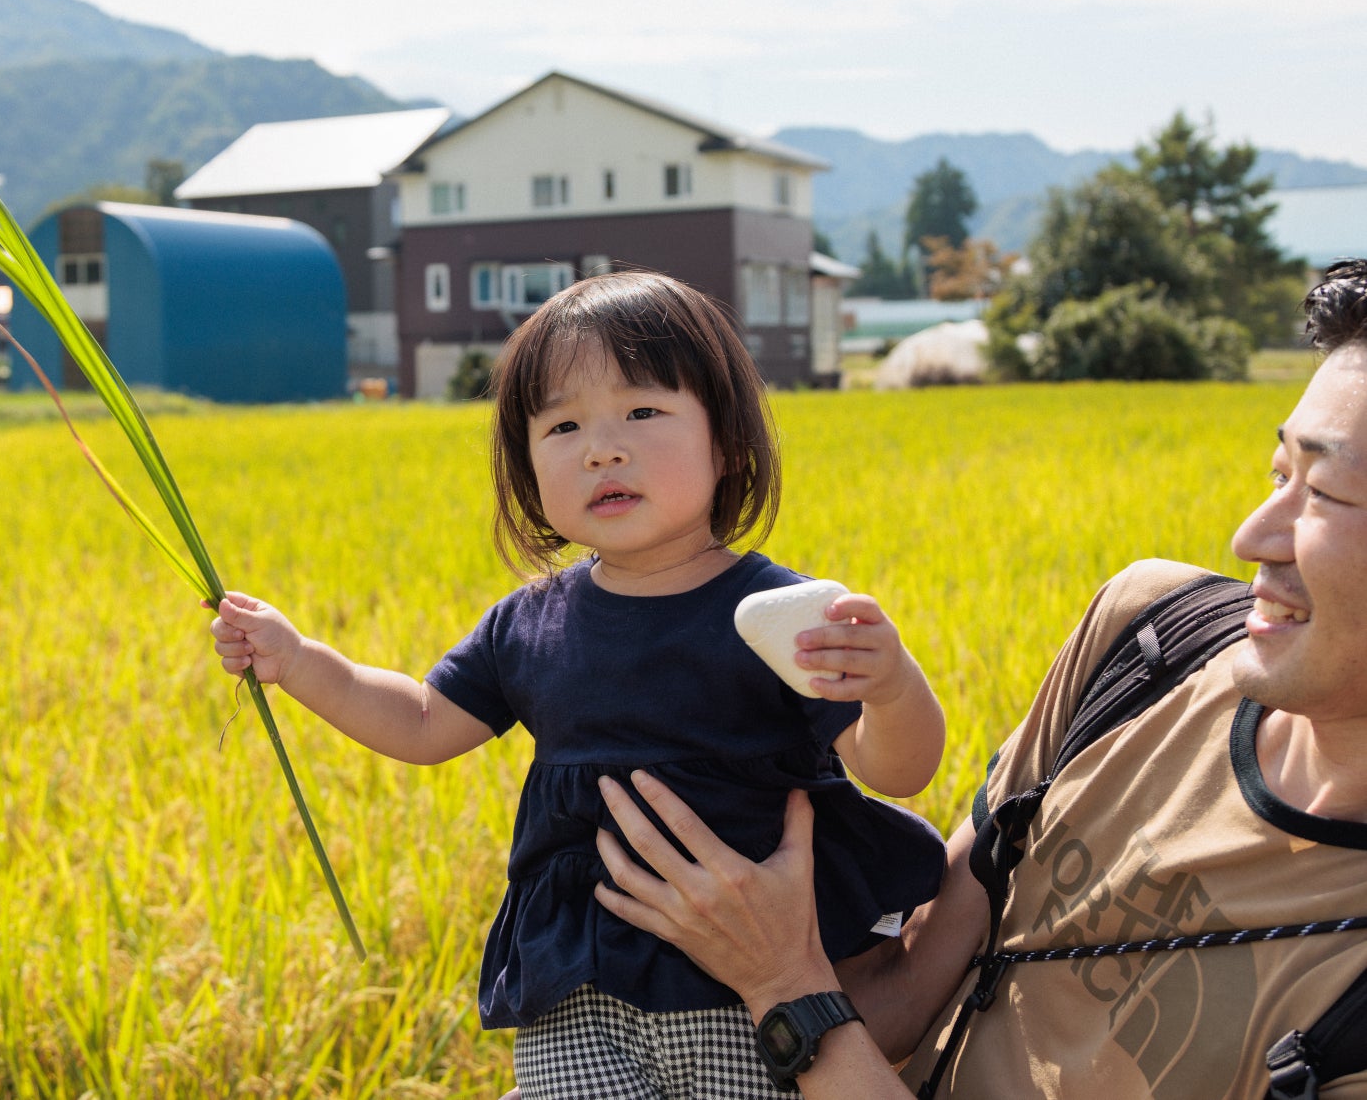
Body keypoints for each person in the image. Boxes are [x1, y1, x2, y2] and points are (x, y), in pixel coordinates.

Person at [591, 259, 1367, 1099]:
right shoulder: (1150, 639)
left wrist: (783, 986)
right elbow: (905, 990)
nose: (1254, 535)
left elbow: (806, 1000)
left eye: (1324, 492)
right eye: (1279, 472)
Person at [208, 271, 949, 1099]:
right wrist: (301, 659)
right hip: (577, 995)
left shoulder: (773, 613)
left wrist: (890, 686)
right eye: (562, 424)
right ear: (528, 470)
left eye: (641, 411)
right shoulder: (529, 623)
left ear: (728, 442)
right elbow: (420, 721)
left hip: (745, 988)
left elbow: (899, 767)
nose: (602, 447)